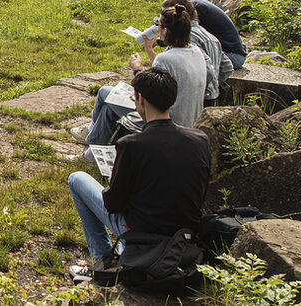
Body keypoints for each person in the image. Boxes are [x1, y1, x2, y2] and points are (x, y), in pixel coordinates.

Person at [67, 67, 211, 282]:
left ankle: (103, 259)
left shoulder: (132, 145)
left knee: (76, 179)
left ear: (140, 99)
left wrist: (112, 182)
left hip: (142, 230)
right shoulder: (200, 140)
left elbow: (113, 203)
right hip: (184, 233)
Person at [72, 3, 206, 150]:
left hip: (165, 120)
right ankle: (92, 151)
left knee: (105, 92)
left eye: (158, 25)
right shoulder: (196, 53)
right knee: (109, 109)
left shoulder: (166, 59)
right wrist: (148, 49)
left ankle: (90, 134)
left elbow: (149, 96)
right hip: (189, 120)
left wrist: (137, 70)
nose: (157, 29)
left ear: (165, 31)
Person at [161, 0, 233, 107]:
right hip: (212, 94)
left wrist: (197, 86)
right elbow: (227, 67)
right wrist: (216, 82)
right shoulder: (209, 35)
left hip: (198, 96)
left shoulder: (189, 37)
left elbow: (208, 70)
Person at [162, 0, 247, 69]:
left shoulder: (194, 8)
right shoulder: (195, 2)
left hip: (232, 55)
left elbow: (182, 38)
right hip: (231, 52)